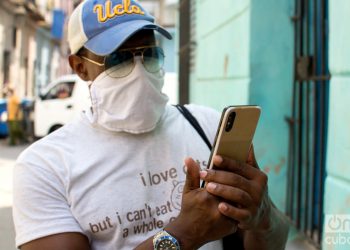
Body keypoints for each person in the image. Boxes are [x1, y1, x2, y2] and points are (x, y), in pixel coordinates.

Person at [12, 0, 289, 249]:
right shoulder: (45, 166)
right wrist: (183, 235)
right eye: (119, 58)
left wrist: (262, 217)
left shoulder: (205, 125)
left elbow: (272, 239)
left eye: (150, 53)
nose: (140, 70)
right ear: (80, 67)